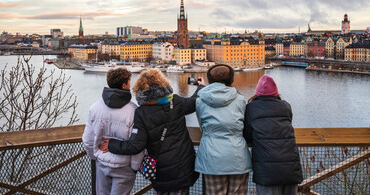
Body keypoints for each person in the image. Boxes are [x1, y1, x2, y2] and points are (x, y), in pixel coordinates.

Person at [99, 68, 205, 194]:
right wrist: (200, 87)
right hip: (183, 166)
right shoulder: (176, 102)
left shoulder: (141, 112)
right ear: (163, 84)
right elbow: (195, 101)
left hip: (160, 170)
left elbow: (135, 145)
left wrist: (112, 144)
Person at [82, 67, 144, 195]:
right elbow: (137, 144)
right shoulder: (134, 111)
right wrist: (134, 167)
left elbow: (87, 139)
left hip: (102, 163)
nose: (130, 85)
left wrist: (96, 156)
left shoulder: (95, 107)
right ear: (124, 85)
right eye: (129, 82)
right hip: (124, 166)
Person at [195, 64, 252, 194]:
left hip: (211, 157)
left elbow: (202, 126)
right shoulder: (240, 99)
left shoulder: (200, 100)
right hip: (238, 157)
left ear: (209, 80)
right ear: (231, 79)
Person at [244, 75, 303, 195]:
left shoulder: (251, 108)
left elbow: (247, 135)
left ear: (257, 92)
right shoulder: (285, 106)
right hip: (290, 167)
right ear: (276, 92)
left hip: (266, 170)